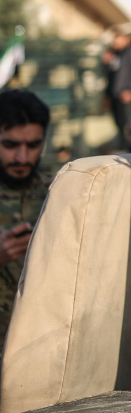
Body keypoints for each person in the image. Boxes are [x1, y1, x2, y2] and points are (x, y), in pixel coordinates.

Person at [0, 89, 54, 342]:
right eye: (10, 145)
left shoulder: (60, 193)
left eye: (33, 145)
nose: (22, 157)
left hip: (38, 347)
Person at [102, 32, 131, 147]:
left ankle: (129, 146)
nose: (116, 43)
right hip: (113, 93)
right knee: (118, 122)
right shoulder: (113, 54)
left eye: (119, 40)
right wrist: (105, 62)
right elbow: (108, 73)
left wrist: (129, 89)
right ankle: (122, 145)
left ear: (126, 39)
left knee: (127, 122)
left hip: (124, 93)